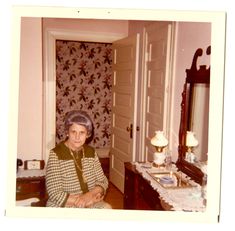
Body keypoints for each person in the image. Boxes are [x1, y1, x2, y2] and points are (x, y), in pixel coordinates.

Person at [46, 110, 111, 208]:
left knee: (107, 209)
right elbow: (54, 193)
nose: (77, 137)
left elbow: (103, 181)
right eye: (73, 132)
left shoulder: (91, 153)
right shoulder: (56, 154)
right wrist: (85, 202)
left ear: (87, 134)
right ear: (67, 132)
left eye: (82, 132)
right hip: (64, 204)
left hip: (90, 200)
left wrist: (89, 196)